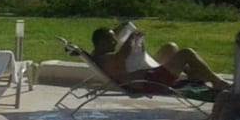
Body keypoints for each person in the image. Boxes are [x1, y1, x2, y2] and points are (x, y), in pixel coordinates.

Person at [90, 23, 225, 92]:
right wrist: (132, 37)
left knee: (170, 47)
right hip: (153, 81)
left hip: (149, 76)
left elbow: (104, 36)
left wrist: (123, 27)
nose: (115, 42)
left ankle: (193, 76)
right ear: (101, 42)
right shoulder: (106, 59)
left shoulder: (97, 54)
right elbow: (122, 55)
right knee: (186, 53)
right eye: (112, 40)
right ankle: (216, 81)